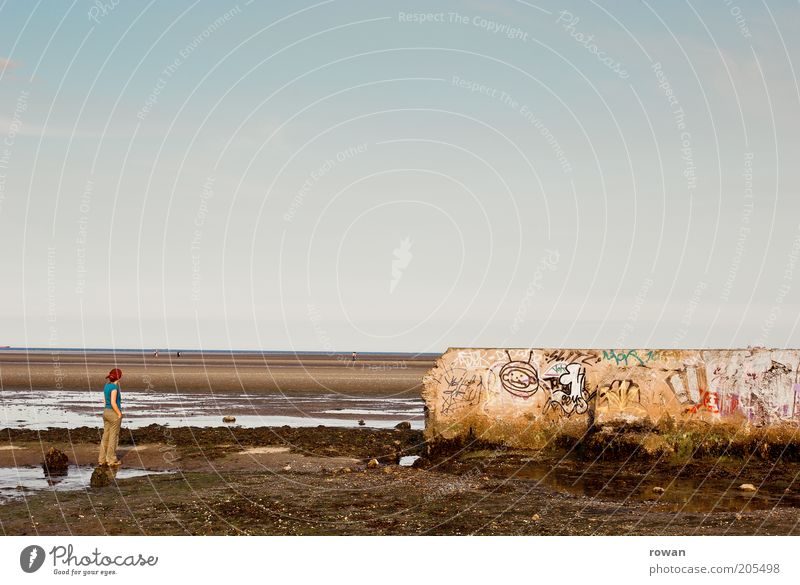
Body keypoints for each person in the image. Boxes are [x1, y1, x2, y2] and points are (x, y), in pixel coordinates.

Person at [99, 368, 124, 466]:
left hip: (105, 412)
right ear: (119, 377)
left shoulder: (106, 386)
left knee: (105, 436)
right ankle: (111, 460)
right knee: (113, 437)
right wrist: (119, 414)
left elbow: (104, 401)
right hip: (113, 413)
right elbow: (113, 403)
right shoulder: (114, 388)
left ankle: (102, 459)